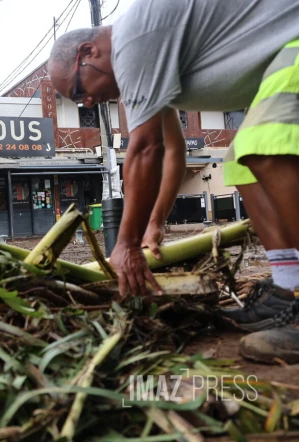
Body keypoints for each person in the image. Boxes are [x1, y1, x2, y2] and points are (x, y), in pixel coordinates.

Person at [48, 0, 299, 363]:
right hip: (284, 54)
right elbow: (172, 152)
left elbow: (146, 149)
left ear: (89, 52)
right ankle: (288, 286)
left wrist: (128, 243)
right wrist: (153, 224)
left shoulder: (133, 42)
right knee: (239, 162)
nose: (87, 102)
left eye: (77, 90)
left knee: (263, 145)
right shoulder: (149, 69)